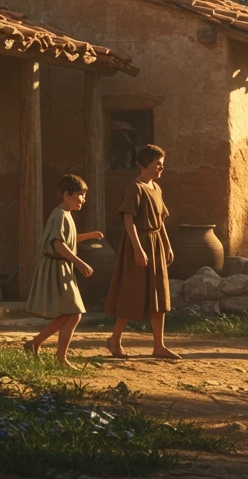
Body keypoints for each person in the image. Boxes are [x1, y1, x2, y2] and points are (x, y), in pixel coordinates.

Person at [104, 144, 179, 360]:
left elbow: (161, 221)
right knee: (132, 293)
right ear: (144, 164)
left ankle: (159, 346)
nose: (160, 169)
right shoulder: (135, 188)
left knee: (159, 295)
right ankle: (115, 340)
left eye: (162, 165)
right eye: (157, 164)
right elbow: (128, 219)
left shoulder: (156, 188)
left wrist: (167, 245)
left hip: (155, 245)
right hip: (139, 244)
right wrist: (138, 249)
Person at [24, 174, 103, 369]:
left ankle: (35, 344)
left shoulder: (66, 215)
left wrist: (90, 235)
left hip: (62, 267)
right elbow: (58, 244)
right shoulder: (59, 215)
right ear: (66, 195)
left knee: (70, 314)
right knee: (74, 313)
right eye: (79, 195)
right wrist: (79, 262)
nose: (82, 200)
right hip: (56, 267)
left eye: (84, 195)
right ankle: (58, 357)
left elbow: (69, 239)